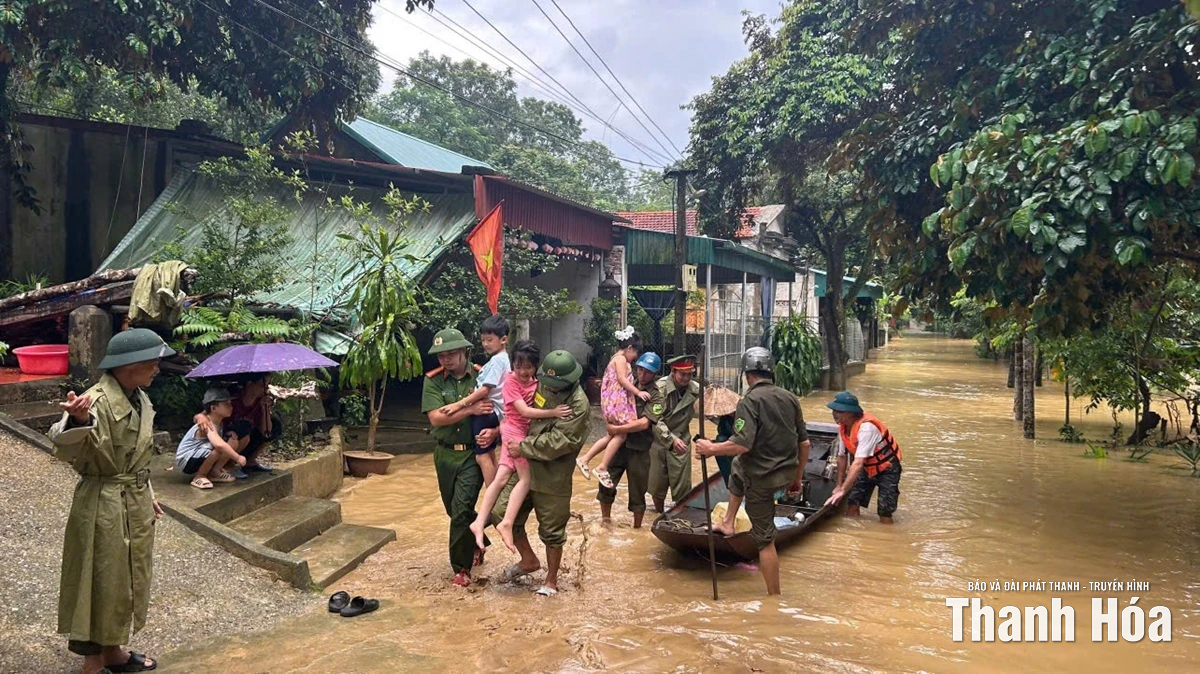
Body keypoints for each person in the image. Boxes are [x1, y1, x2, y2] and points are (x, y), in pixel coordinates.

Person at [48, 328, 174, 674]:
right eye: (152, 364)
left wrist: (147, 492)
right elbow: (62, 444)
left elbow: (135, 457)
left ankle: (114, 651)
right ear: (130, 365)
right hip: (102, 503)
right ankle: (93, 663)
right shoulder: (96, 400)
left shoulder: (137, 396)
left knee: (125, 580)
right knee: (97, 578)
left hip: (131, 500)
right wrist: (79, 419)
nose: (157, 370)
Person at [695, 347, 811, 596]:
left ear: (747, 375)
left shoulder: (749, 401)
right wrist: (797, 479)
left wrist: (710, 449)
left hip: (762, 478)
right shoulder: (790, 398)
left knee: (765, 540)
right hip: (784, 471)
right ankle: (728, 523)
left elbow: (741, 443)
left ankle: (774, 596)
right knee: (738, 466)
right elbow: (805, 444)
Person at [491, 350, 590, 597]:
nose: (551, 389)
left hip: (553, 475)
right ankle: (528, 560)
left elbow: (562, 440)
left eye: (557, 386)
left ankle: (552, 579)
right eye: (549, 383)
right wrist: (497, 432)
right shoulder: (542, 385)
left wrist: (523, 446)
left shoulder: (579, 403)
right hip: (525, 465)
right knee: (500, 513)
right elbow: (519, 414)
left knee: (552, 531)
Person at [468, 340, 572, 553]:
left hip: (512, 431)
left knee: (501, 478)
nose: (523, 371)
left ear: (536, 367)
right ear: (512, 365)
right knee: (526, 479)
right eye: (518, 366)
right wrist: (554, 413)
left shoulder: (536, 382)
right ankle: (506, 522)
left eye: (528, 367)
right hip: (515, 434)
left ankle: (479, 522)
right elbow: (524, 411)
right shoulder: (510, 382)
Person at [422, 328, 497, 587]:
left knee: (461, 511)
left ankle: (461, 569)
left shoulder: (482, 375)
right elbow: (436, 418)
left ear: (464, 351)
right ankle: (479, 542)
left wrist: (495, 430)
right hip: (443, 454)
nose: (446, 359)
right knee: (453, 510)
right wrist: (471, 408)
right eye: (441, 355)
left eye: (451, 353)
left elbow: (500, 408)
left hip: (473, 455)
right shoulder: (433, 380)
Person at [438, 316, 511, 487]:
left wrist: (458, 405)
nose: (485, 344)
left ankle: (491, 496)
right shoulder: (504, 360)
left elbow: (485, 390)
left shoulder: (497, 361)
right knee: (490, 452)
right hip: (497, 412)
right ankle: (496, 495)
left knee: (482, 456)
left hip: (487, 412)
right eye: (483, 340)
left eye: (490, 340)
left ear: (503, 340)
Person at [597, 352, 663, 529]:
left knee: (638, 491)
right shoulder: (627, 384)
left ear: (655, 374)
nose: (643, 374)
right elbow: (612, 399)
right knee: (605, 483)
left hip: (639, 449)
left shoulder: (656, 396)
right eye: (640, 369)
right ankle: (605, 522)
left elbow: (643, 424)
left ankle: (637, 528)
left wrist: (617, 429)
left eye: (648, 372)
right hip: (619, 446)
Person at [576, 327, 648, 489]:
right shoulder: (621, 359)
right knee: (621, 435)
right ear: (629, 348)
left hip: (611, 404)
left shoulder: (614, 358)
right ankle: (602, 467)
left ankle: (584, 458)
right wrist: (638, 392)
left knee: (611, 435)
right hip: (618, 403)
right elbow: (622, 380)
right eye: (635, 353)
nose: (635, 358)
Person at [823, 391, 903, 523]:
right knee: (853, 501)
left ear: (851, 413)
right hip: (865, 468)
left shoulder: (866, 428)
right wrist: (839, 485)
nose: (834, 414)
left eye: (839, 411)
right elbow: (842, 457)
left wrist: (843, 490)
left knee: (885, 511)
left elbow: (858, 463)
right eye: (833, 410)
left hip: (887, 468)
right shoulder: (843, 428)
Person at [648, 354, 700, 512]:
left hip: (682, 441)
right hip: (659, 440)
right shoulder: (660, 388)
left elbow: (711, 410)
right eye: (683, 374)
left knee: (683, 487)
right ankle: (658, 514)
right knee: (657, 485)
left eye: (690, 374)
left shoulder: (696, 390)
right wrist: (671, 439)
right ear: (673, 371)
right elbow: (655, 419)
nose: (686, 378)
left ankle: (681, 515)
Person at [175, 387, 248, 489]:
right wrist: (237, 457)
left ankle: (215, 471)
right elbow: (218, 444)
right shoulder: (207, 424)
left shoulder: (219, 421)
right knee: (218, 448)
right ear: (213, 408)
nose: (231, 407)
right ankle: (200, 476)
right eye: (226, 404)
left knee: (232, 439)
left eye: (230, 403)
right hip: (187, 459)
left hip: (200, 452)